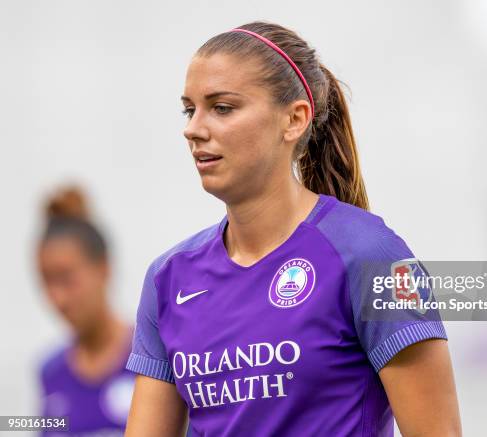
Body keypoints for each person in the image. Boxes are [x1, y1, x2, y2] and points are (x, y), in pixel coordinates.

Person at [125, 21, 461, 436]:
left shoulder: (372, 256)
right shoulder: (168, 278)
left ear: (295, 119)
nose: (193, 128)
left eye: (222, 107)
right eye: (189, 108)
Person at [36, 186, 135, 436]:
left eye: (66, 278)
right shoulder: (50, 373)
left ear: (103, 268)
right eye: (47, 281)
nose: (58, 298)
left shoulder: (153, 359)